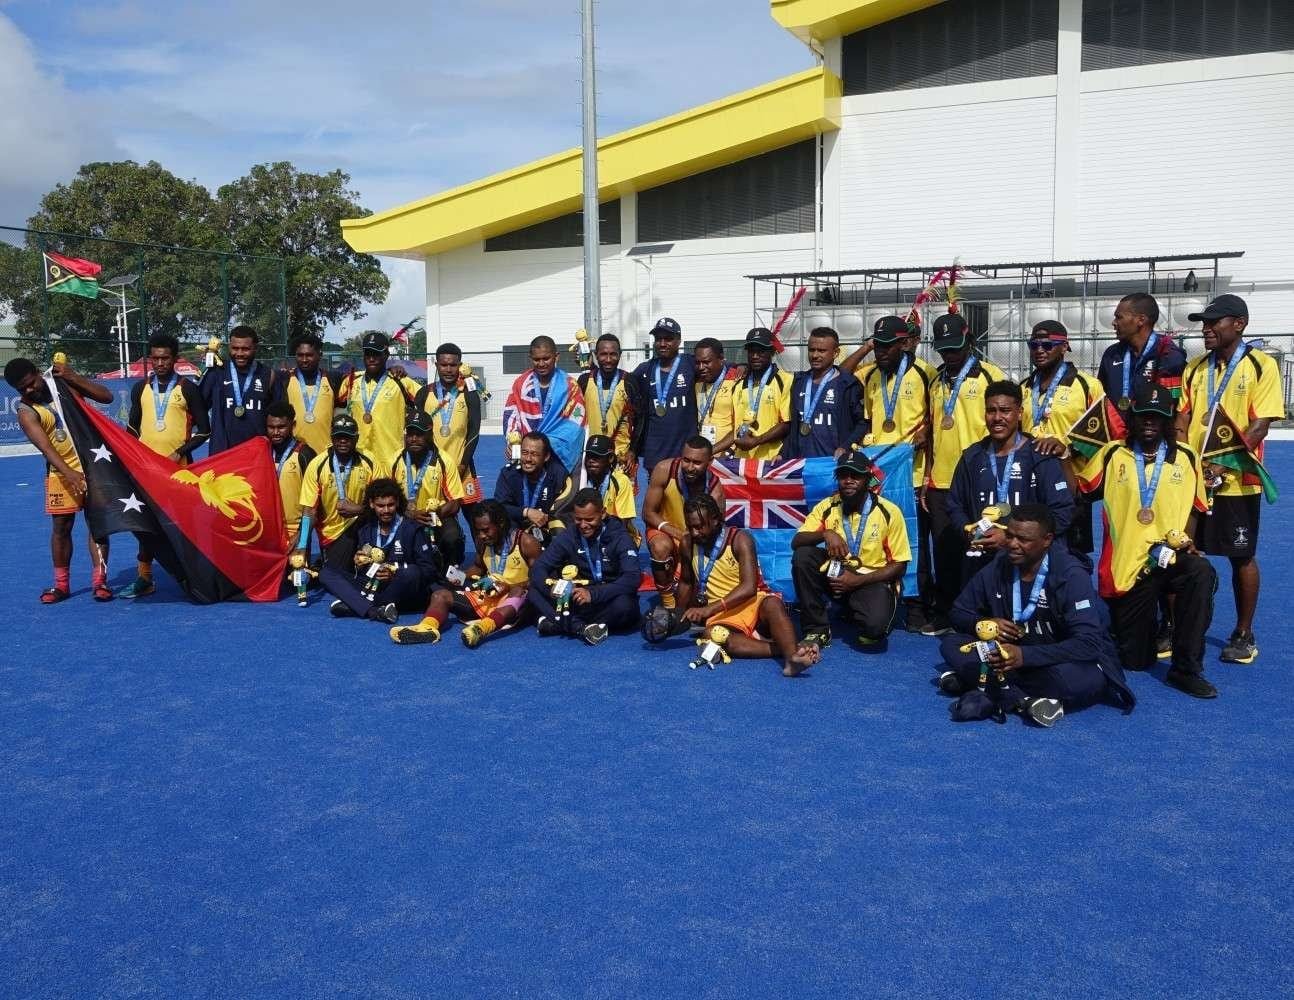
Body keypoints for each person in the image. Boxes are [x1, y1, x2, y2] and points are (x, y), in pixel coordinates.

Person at [938, 504, 1135, 726]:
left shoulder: (1070, 575)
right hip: (1010, 656)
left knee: (1072, 680)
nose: (1013, 544)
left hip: (1057, 661)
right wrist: (982, 623)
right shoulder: (999, 565)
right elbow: (959, 612)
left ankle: (986, 685)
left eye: (1023, 539)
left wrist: (1025, 656)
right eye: (1010, 536)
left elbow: (1089, 644)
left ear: (1047, 540)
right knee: (952, 645)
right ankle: (1023, 701)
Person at [1080, 382, 1219, 698]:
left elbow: (1198, 506)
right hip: (1129, 568)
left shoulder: (1186, 457)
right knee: (1135, 662)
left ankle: (1185, 669)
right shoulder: (1113, 453)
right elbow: (1083, 490)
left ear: (1167, 419)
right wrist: (1065, 452)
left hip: (1170, 556)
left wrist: (1189, 543)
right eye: (1143, 416)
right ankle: (1144, 629)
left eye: (1157, 417)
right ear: (1132, 417)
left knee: (1201, 572)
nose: (1149, 423)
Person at [1177, 294, 1283, 664]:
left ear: (1238, 324)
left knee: (1241, 557)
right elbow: (1182, 419)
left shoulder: (1261, 365)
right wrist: (1184, 459)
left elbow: (1260, 424)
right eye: (1203, 323)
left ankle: (1243, 633)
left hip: (1237, 481)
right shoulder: (1194, 368)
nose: (1206, 329)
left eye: (1214, 322)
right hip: (1192, 480)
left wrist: (1221, 466)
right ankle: (1179, 626)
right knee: (1181, 551)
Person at [670, 495, 817, 677]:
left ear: (715, 520)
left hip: (751, 602)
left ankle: (792, 660)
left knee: (772, 604)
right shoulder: (687, 543)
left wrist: (708, 609)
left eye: (699, 527)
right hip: (722, 616)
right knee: (711, 635)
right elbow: (685, 581)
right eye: (690, 526)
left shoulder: (740, 539)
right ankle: (785, 649)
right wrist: (676, 615)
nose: (694, 533)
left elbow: (749, 587)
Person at [5, 356, 114, 603]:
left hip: (94, 467)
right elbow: (47, 449)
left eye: (32, 383)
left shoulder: (64, 384)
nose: (29, 390)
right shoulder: (26, 411)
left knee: (97, 524)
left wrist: (73, 376)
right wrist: (69, 473)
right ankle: (61, 585)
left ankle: (100, 581)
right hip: (60, 474)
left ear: (37, 372)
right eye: (22, 389)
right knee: (61, 528)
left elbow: (107, 397)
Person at [923, 313, 1005, 635]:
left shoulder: (990, 376)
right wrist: (928, 477)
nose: (949, 355)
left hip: (979, 478)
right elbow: (932, 434)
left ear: (969, 340)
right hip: (941, 481)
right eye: (944, 349)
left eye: (955, 348)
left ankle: (985, 611)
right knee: (945, 551)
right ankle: (947, 612)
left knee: (981, 548)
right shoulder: (936, 381)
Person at [946, 381, 1075, 586]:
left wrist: (1010, 539)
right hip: (982, 564)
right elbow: (954, 505)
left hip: (1032, 568)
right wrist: (969, 530)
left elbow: (1062, 511)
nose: (997, 418)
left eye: (1005, 410)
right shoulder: (972, 456)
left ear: (1020, 413)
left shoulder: (1039, 455)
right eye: (991, 411)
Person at [120, 332, 212, 598]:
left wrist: (178, 453)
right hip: (146, 473)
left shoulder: (187, 388)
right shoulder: (141, 389)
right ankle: (145, 577)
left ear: (175, 359)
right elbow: (131, 429)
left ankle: (193, 575)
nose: (160, 363)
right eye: (156, 358)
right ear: (151, 359)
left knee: (184, 525)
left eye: (165, 358)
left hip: (179, 471)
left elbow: (204, 431)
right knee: (145, 525)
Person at [791, 452, 910, 651]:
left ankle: (855, 610)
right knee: (803, 556)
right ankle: (817, 629)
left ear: (868, 479)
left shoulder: (889, 511)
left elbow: (900, 565)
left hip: (871, 579)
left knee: (874, 631)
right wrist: (826, 534)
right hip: (836, 574)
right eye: (843, 475)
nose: (848, 481)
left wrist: (856, 581)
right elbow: (797, 541)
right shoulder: (828, 506)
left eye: (855, 475)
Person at [857, 316, 932, 630]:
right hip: (877, 474)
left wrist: (928, 428)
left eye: (888, 346)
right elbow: (843, 378)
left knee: (914, 541)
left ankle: (917, 607)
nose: (881, 352)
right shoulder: (871, 376)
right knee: (875, 537)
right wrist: (865, 348)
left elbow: (938, 413)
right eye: (878, 345)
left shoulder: (925, 373)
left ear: (904, 344)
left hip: (911, 474)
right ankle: (872, 600)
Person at [390, 500, 542, 647]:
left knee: (519, 592)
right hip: (487, 596)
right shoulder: (483, 542)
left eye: (486, 530)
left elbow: (538, 580)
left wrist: (507, 586)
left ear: (501, 524)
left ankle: (482, 629)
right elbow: (478, 568)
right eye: (478, 531)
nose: (481, 535)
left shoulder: (527, 543)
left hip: (515, 601)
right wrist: (458, 576)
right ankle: (427, 628)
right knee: (440, 595)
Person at [1018, 320, 1104, 560]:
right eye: (1033, 345)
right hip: (1030, 483)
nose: (1039, 350)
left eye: (1047, 345)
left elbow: (1105, 434)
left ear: (1064, 346)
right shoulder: (1023, 388)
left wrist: (1068, 449)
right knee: (1029, 553)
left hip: (1070, 485)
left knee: (1071, 557)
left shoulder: (1088, 385)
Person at [528, 487, 642, 644]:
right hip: (578, 598)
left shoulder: (620, 537)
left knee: (625, 606)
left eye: (589, 520)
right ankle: (582, 628)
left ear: (602, 513)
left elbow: (632, 578)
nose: (583, 525)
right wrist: (553, 588)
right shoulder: (570, 535)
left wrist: (593, 595)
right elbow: (539, 568)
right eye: (578, 519)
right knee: (534, 591)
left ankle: (561, 624)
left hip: (607, 598)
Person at [319, 477, 438, 625]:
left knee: (412, 572)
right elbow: (364, 571)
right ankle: (374, 611)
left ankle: (358, 605)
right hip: (372, 586)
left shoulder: (412, 529)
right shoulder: (366, 529)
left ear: (398, 503)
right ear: (371, 504)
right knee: (327, 572)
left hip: (400, 588)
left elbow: (428, 571)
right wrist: (358, 563)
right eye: (381, 506)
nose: (386, 510)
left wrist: (395, 573)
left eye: (391, 505)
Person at [642, 436, 726, 610]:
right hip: (666, 532)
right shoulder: (664, 469)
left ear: (710, 461)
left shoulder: (715, 490)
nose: (689, 467)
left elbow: (716, 532)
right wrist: (681, 536)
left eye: (697, 462)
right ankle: (667, 603)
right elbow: (648, 513)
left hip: (695, 540)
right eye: (686, 460)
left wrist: (691, 548)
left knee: (692, 601)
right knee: (660, 547)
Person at [295, 413, 376, 571]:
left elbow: (384, 500)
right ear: (331, 437)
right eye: (338, 437)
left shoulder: (369, 461)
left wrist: (359, 509)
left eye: (348, 437)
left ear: (357, 438)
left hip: (362, 523)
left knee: (363, 567)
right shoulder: (317, 465)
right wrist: (303, 545)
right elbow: (309, 510)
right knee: (335, 572)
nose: (343, 441)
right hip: (331, 533)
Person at [413, 341, 485, 521]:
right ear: (436, 365)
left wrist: (463, 464)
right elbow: (417, 429)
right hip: (432, 467)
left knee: (474, 518)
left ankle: (482, 551)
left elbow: (474, 431)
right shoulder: (424, 393)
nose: (448, 369)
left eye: (453, 365)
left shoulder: (469, 393)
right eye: (444, 364)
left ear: (460, 366)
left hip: (463, 467)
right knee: (434, 513)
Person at [502, 334, 586, 474]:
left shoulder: (570, 385)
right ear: (530, 359)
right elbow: (511, 415)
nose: (541, 364)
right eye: (536, 359)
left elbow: (576, 423)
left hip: (558, 455)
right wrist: (513, 441)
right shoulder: (521, 384)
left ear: (556, 357)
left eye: (546, 358)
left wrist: (546, 445)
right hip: (527, 454)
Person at [391, 411, 466, 567]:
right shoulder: (393, 461)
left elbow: (455, 502)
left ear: (430, 435)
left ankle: (451, 571)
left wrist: (433, 514)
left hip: (435, 517)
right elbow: (385, 498)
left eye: (419, 434)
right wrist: (408, 513)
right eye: (410, 434)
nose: (414, 439)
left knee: (452, 537)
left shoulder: (445, 461)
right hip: (404, 516)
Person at [338, 331, 421, 470]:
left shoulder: (401, 381)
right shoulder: (351, 381)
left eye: (376, 354)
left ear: (386, 355)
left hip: (391, 460)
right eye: (368, 354)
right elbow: (333, 406)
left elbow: (430, 398)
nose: (371, 358)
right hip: (359, 460)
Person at [1097, 292, 1187, 411]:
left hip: (1151, 428)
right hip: (1117, 428)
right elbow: (1101, 399)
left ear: (1141, 320)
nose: (1113, 323)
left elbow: (1175, 405)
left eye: (1119, 317)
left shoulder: (1169, 356)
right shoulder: (1112, 354)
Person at [631, 317, 697, 474]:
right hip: (653, 454)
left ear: (678, 341)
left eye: (668, 339)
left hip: (685, 454)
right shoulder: (644, 369)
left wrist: (740, 367)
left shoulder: (690, 364)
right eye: (658, 339)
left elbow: (716, 366)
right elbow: (623, 385)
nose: (662, 343)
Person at [200, 324, 279, 453]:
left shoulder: (268, 375)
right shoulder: (217, 372)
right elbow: (198, 406)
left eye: (245, 349)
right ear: (229, 347)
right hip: (222, 453)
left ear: (255, 348)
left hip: (257, 454)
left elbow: (278, 416)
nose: (239, 353)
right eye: (235, 348)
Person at [787, 326, 860, 458]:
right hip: (802, 465)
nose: (815, 355)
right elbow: (794, 426)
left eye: (821, 351)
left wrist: (846, 446)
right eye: (811, 350)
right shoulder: (799, 382)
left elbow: (862, 423)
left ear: (835, 353)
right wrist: (783, 453)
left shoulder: (847, 384)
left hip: (833, 464)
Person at [553, 435, 640, 544]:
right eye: (589, 456)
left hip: (615, 534)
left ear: (610, 458)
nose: (591, 460)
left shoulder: (621, 481)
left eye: (597, 456)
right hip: (586, 530)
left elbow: (622, 523)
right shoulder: (578, 480)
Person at [577, 332, 639, 481]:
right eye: (603, 354)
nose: (609, 359)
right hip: (591, 455)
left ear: (620, 354)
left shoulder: (630, 381)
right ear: (596, 355)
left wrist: (633, 451)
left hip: (620, 455)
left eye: (613, 354)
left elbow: (641, 420)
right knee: (590, 501)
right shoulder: (585, 380)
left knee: (620, 499)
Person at [493, 431, 570, 542]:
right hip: (518, 528)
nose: (528, 459)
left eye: (534, 454)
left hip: (547, 527)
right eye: (524, 452)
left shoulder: (558, 475)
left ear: (546, 456)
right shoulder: (509, 474)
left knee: (560, 525)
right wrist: (526, 512)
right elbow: (499, 506)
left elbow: (566, 510)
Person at [730, 327, 791, 460]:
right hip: (742, 459)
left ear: (772, 351)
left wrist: (757, 441)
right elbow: (735, 427)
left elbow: (787, 424)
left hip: (771, 460)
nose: (755, 356)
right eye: (751, 351)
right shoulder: (738, 384)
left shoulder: (785, 380)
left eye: (761, 351)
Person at [265, 400, 316, 550]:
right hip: (268, 529)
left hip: (296, 531)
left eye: (281, 427)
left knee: (297, 574)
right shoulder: (262, 451)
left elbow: (312, 504)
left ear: (292, 426)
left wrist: (302, 534)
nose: (275, 432)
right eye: (271, 427)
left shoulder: (305, 454)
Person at [281, 333, 342, 455]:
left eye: (309, 355)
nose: (304, 360)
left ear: (320, 355)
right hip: (295, 455)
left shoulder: (333, 379)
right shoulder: (285, 379)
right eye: (300, 355)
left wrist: (391, 370)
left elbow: (358, 379)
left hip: (326, 453)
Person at [693, 337, 739, 454]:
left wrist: (711, 451)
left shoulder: (736, 381)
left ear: (721, 359)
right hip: (702, 456)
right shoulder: (696, 383)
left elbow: (739, 427)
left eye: (707, 362)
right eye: (698, 363)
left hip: (727, 456)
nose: (701, 367)